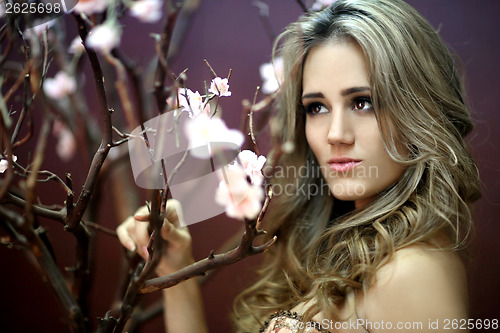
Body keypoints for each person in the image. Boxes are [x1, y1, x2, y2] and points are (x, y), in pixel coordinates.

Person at [117, 0, 481, 332]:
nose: (336, 134)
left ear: (419, 110)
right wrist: (176, 272)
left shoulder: (412, 272)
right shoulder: (342, 254)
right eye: (317, 107)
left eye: (364, 102)